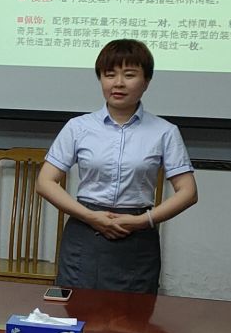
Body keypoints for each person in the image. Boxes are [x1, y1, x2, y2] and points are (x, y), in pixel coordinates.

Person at [35, 38, 197, 294]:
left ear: (146, 81)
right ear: (101, 79)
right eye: (109, 75)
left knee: (134, 316)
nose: (118, 83)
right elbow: (45, 182)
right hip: (85, 232)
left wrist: (142, 221)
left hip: (137, 237)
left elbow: (188, 192)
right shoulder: (78, 127)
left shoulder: (165, 131)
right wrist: (90, 216)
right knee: (76, 310)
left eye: (129, 75)